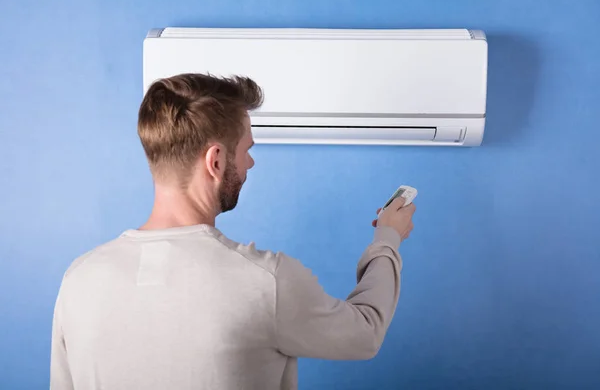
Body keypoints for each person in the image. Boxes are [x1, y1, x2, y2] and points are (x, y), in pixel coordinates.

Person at [49, 73, 416, 390]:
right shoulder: (265, 282)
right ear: (216, 161)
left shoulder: (79, 279)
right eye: (246, 149)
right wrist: (388, 239)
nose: (250, 162)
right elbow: (365, 332)